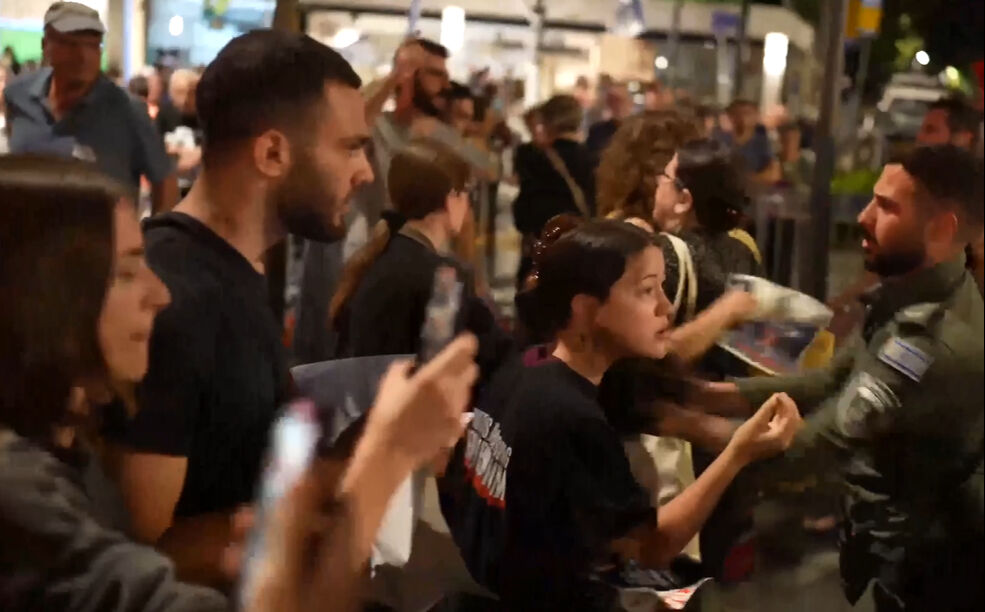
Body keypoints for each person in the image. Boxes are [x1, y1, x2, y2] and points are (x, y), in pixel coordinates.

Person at [0, 155, 481, 611]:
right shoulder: (16, 493)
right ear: (45, 297)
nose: (159, 294)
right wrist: (387, 457)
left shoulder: (61, 449)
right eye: (126, 272)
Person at [102, 30, 372, 586]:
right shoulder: (172, 300)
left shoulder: (243, 267)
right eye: (349, 147)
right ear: (272, 152)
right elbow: (138, 553)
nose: (365, 171)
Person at [438, 219, 801, 610]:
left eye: (663, 287)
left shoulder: (525, 366)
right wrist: (737, 455)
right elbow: (650, 546)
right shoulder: (571, 415)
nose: (666, 307)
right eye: (646, 291)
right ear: (586, 309)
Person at [697, 145, 985, 612]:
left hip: (925, 576)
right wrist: (708, 395)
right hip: (892, 556)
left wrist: (672, 420)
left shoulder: (928, 343)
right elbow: (830, 380)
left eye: (888, 207)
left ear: (941, 229)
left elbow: (816, 446)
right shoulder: (913, 291)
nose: (865, 217)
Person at [330, 138, 511, 384]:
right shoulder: (443, 276)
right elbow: (472, 363)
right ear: (451, 198)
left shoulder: (377, 258)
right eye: (467, 191)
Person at [3, 2, 177, 211]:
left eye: (93, 45)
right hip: (28, 238)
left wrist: (152, 240)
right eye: (72, 44)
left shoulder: (128, 111)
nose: (84, 56)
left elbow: (165, 182)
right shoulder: (18, 96)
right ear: (45, 45)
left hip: (101, 241)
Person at [512, 94, 595, 286]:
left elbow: (524, 210)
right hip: (580, 253)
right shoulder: (594, 159)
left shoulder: (531, 156)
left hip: (540, 251)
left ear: (547, 121)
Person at [718, 99, 780, 185]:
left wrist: (746, 180)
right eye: (737, 114)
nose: (743, 117)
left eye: (747, 113)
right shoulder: (720, 139)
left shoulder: (763, 142)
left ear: (756, 116)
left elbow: (774, 174)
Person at [585, 83, 631, 164]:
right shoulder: (597, 131)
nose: (617, 105)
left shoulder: (640, 130)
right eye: (612, 101)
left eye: (620, 100)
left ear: (630, 102)